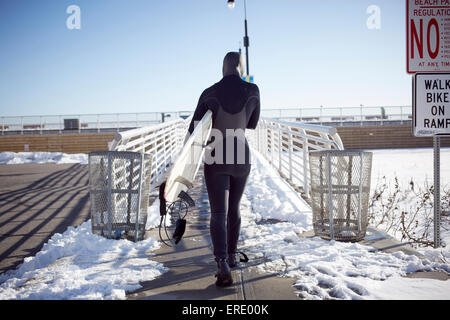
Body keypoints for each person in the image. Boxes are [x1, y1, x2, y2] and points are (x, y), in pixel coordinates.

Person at [187, 52, 260, 287]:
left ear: (223, 66)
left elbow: (194, 130)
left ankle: (222, 263)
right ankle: (231, 255)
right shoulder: (253, 90)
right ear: (240, 66)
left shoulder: (209, 92)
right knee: (234, 210)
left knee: (218, 212)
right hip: (241, 153)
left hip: (216, 153)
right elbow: (252, 123)